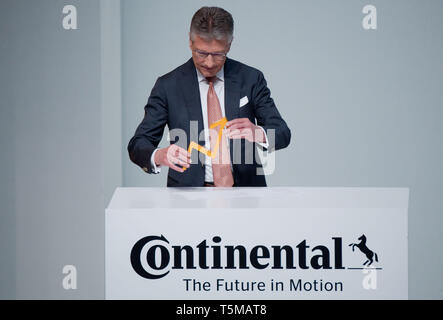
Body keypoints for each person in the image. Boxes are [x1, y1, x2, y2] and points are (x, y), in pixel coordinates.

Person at [128, 6, 291, 187]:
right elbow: (138, 144)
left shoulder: (251, 79)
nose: (209, 62)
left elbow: (282, 132)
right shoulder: (168, 86)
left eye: (218, 54)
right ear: (190, 42)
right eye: (202, 53)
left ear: (229, 45)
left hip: (247, 194)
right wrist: (160, 155)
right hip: (187, 198)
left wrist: (259, 133)